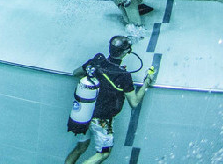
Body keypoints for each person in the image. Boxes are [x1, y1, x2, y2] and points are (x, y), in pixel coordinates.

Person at [65, 36, 156, 164]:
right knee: (103, 154)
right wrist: (147, 81)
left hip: (83, 114)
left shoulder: (95, 62)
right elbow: (134, 103)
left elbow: (76, 73)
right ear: (126, 52)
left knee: (80, 148)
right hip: (101, 120)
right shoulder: (123, 76)